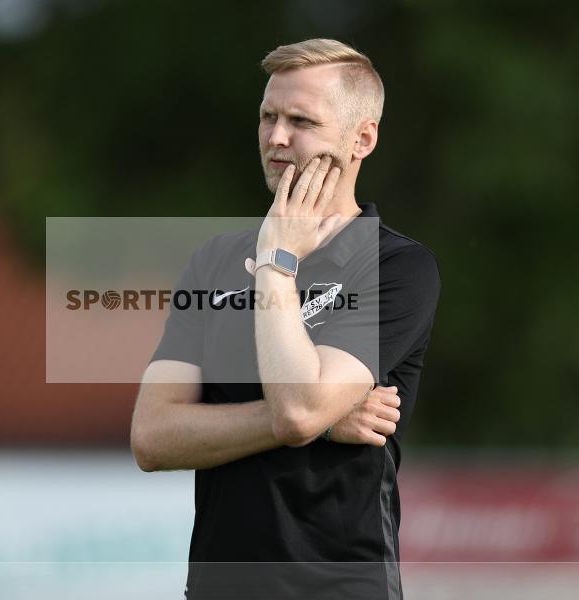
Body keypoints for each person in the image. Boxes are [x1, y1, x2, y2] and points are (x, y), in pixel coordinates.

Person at [131, 39, 440, 600]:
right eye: (268, 117)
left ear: (361, 139)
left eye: (301, 121)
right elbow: (153, 436)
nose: (276, 137)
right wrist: (323, 422)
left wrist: (277, 262)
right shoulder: (213, 262)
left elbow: (297, 409)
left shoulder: (397, 266)